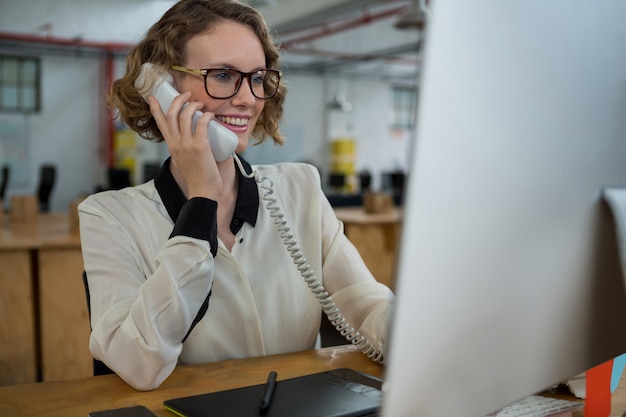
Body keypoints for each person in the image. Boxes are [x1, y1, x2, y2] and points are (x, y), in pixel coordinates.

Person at [79, 0, 394, 391]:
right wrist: (201, 203)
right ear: (159, 86)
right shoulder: (108, 216)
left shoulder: (300, 189)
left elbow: (361, 301)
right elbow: (137, 363)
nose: (248, 98)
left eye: (258, 78)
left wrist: (406, 330)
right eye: (224, 75)